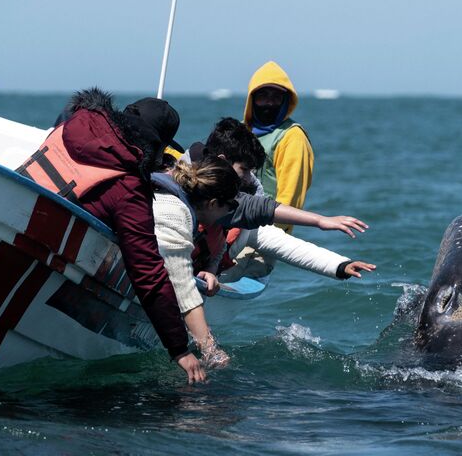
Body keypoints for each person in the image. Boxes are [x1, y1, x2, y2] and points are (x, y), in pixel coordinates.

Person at [16, 88, 205, 384]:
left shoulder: (68, 127)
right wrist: (179, 349)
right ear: (157, 147)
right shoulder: (130, 188)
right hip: (31, 255)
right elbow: (148, 273)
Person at [150, 154, 370, 367]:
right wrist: (209, 350)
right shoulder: (171, 213)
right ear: (213, 203)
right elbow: (182, 287)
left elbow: (272, 227)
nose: (234, 213)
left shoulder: (208, 199)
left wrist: (338, 263)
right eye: (230, 208)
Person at [185, 117, 375, 284]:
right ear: (222, 161)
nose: (248, 179)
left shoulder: (239, 208)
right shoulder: (175, 192)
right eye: (245, 170)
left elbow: (281, 243)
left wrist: (339, 265)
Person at [243, 61, 313, 233]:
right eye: (263, 96)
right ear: (252, 99)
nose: (269, 103)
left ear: (286, 101)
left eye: (276, 97)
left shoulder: (292, 137)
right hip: (228, 229)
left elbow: (290, 198)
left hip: (264, 233)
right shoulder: (240, 132)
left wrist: (270, 234)